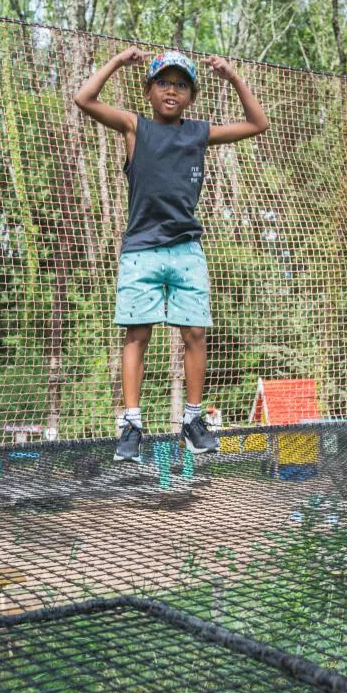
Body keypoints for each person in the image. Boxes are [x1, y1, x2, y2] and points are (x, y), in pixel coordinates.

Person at [74, 47, 268, 461]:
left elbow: (258, 123)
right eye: (163, 82)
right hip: (141, 250)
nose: (172, 90)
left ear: (191, 96)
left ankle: (193, 421)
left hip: (186, 250)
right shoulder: (133, 127)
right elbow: (83, 99)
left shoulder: (198, 132)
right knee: (137, 334)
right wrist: (116, 61)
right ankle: (131, 424)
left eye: (181, 85)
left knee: (194, 333)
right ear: (148, 89)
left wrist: (234, 77)